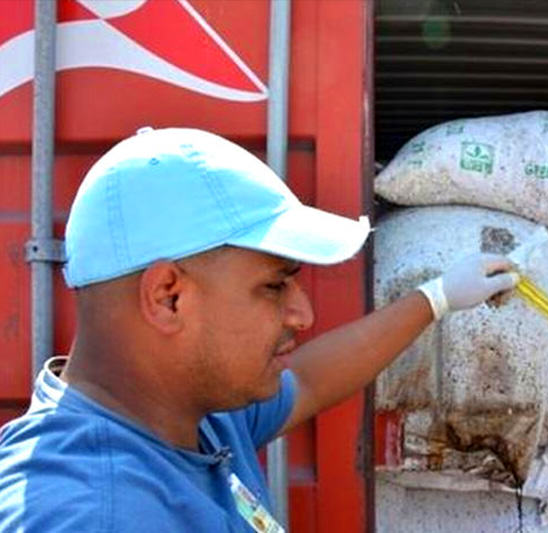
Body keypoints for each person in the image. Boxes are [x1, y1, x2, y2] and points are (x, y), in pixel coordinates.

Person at [0, 127, 519, 532]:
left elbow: (311, 379)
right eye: (275, 286)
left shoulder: (185, 416)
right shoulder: (95, 512)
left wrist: (438, 297)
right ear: (168, 297)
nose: (303, 316)